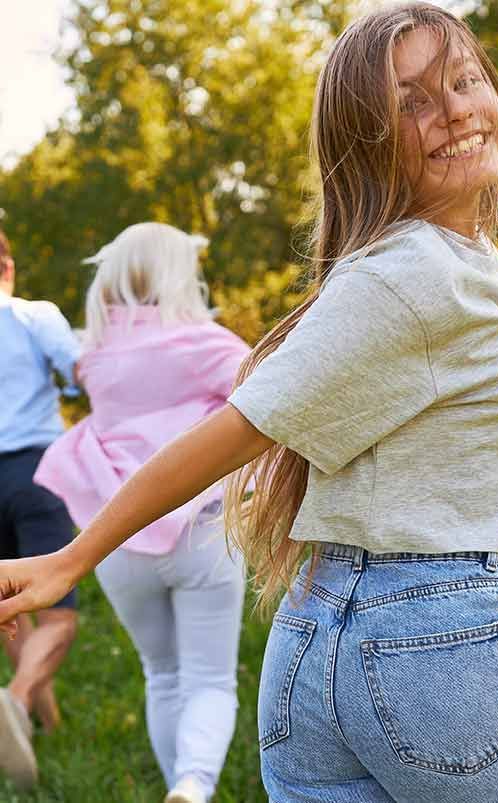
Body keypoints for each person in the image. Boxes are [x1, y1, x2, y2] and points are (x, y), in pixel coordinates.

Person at [0, 6, 498, 802]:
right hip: (436, 639)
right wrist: (73, 558)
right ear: (366, 143)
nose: (454, 109)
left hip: (331, 638)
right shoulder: (410, 275)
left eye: (463, 81)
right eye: (411, 101)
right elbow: (239, 428)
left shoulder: (460, 260)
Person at [32, 222, 251, 803]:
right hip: (200, 531)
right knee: (209, 678)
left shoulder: (95, 355)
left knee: (163, 674)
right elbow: (269, 404)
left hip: (116, 538)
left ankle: (179, 785)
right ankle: (193, 784)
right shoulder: (206, 344)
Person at [0, 228, 81, 789]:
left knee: (9, 607)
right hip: (35, 471)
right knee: (57, 613)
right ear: (7, 266)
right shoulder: (34, 315)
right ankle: (17, 699)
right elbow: (79, 371)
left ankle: (45, 727)